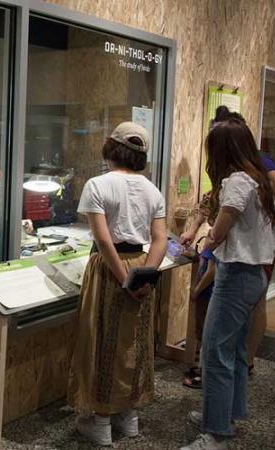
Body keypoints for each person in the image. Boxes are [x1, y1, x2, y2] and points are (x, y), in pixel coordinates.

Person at [181, 119, 275, 450]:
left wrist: (203, 243)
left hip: (237, 275)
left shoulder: (237, 181)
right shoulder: (259, 179)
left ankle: (216, 434)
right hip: (254, 275)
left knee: (215, 352)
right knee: (234, 350)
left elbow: (220, 229)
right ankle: (227, 414)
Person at [67, 122, 167, 446]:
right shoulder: (153, 191)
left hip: (111, 268)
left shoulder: (97, 185)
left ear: (112, 148)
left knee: (103, 340)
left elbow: (103, 238)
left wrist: (125, 280)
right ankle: (130, 416)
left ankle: (101, 420)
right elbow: (160, 239)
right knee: (134, 342)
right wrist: (145, 277)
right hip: (141, 264)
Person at [181, 106, 275, 372]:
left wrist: (257, 230)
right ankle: (242, 367)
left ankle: (244, 366)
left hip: (242, 264)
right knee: (233, 339)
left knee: (222, 348)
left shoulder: (244, 177)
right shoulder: (246, 175)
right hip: (248, 262)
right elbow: (210, 204)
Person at [183, 242, 217, 389]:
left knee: (206, 334)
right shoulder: (210, 246)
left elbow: (211, 271)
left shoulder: (214, 246)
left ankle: (204, 373)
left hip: (207, 295)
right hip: (205, 295)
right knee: (202, 333)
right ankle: (202, 367)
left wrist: (196, 290)